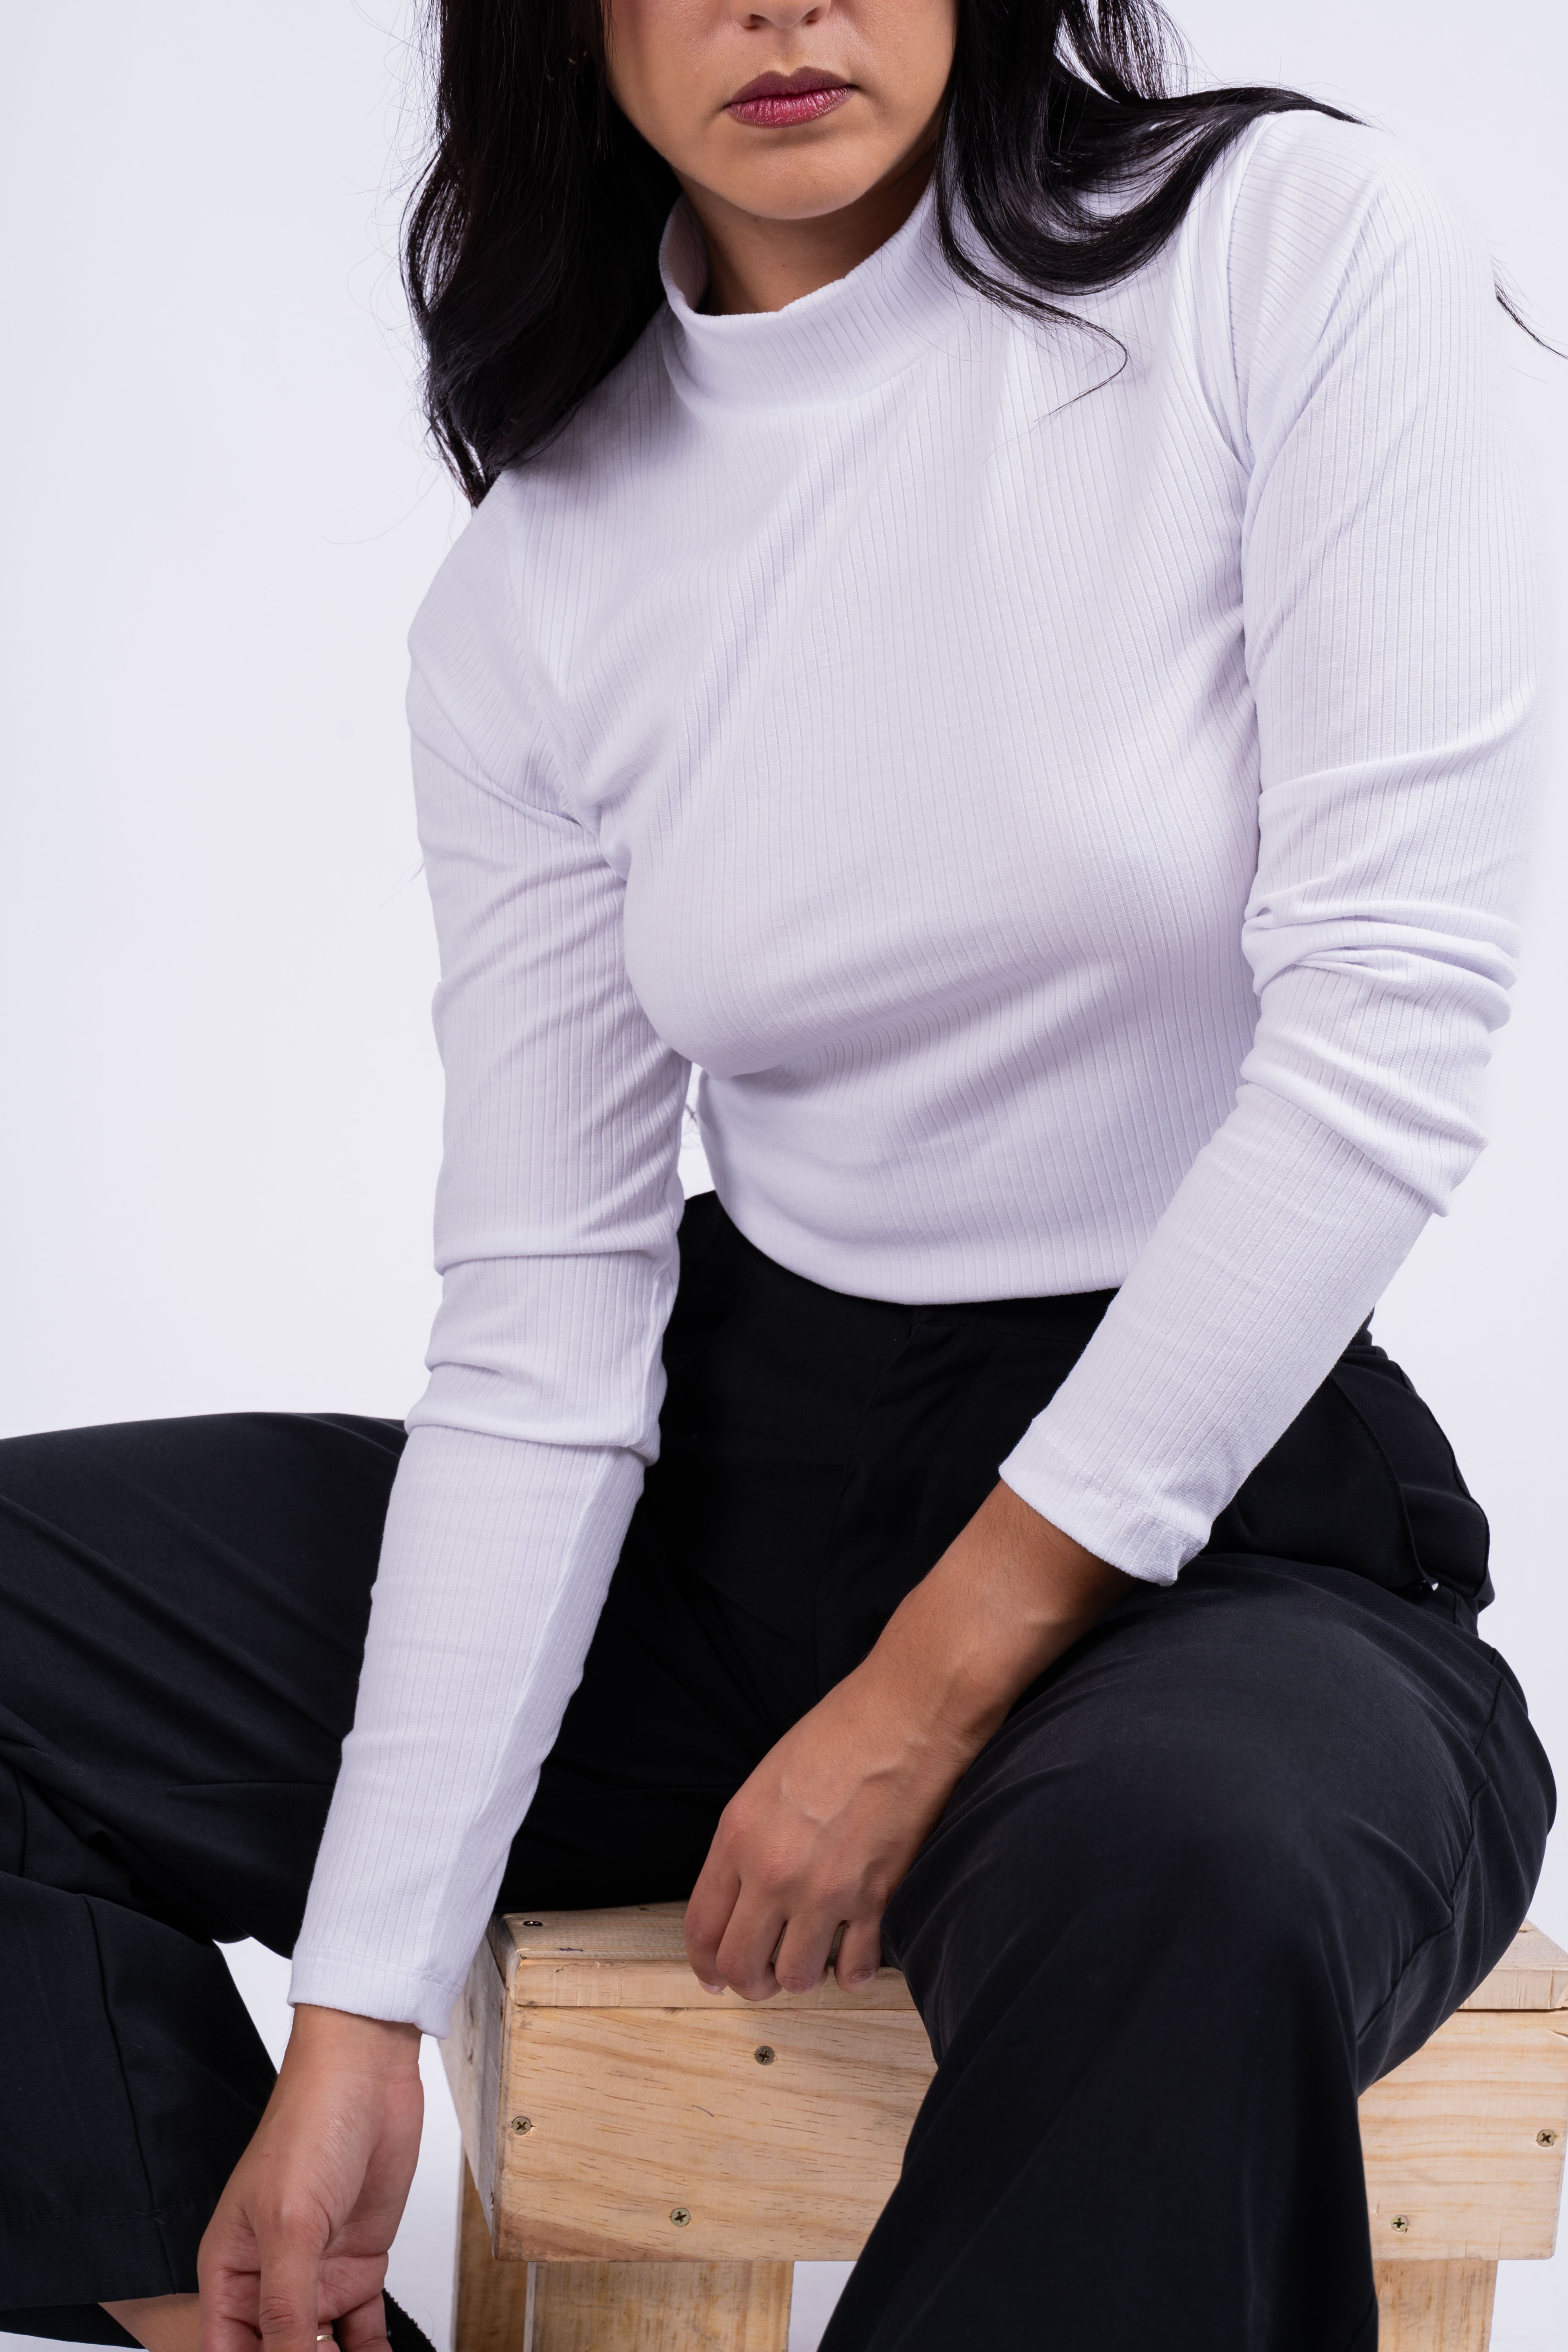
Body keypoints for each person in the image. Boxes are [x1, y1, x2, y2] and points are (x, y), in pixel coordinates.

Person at [0, 2, 1555, 2348]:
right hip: (731, 1506)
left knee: (1193, 1877)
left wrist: (924, 1688)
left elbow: (1387, 1033)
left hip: (1218, 1525)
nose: (785, 3)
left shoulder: (1286, 249)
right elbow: (548, 1320)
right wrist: (355, 2008)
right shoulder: (545, 570)